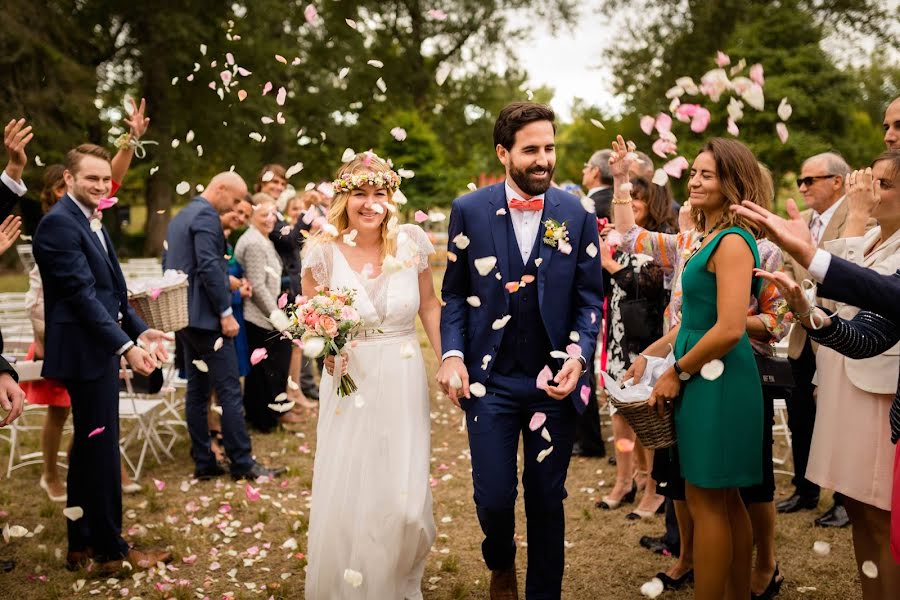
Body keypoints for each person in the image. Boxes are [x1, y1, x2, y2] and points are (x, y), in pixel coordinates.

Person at [437, 102, 604, 599]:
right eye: (531, 149)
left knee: (547, 498)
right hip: (490, 382)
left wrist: (577, 357)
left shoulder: (576, 212)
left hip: (553, 383)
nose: (543, 160)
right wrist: (451, 355)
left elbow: (589, 297)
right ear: (503, 153)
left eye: (549, 148)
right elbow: (453, 293)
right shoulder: (469, 209)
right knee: (493, 497)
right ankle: (501, 563)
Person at [633, 137, 767, 600]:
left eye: (707, 174)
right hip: (701, 373)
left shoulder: (733, 241)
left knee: (710, 500)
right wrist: (652, 355)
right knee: (722, 500)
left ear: (733, 183)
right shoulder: (705, 238)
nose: (694, 180)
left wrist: (676, 372)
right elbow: (694, 320)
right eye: (693, 172)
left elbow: (730, 328)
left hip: (720, 381)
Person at [303, 152, 441, 599]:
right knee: (351, 484)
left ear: (391, 198)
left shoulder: (412, 242)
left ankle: (397, 577)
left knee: (404, 500)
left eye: (379, 193)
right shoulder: (321, 253)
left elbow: (430, 307)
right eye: (359, 193)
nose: (370, 203)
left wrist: (448, 361)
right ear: (344, 198)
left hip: (402, 377)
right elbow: (311, 319)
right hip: (350, 379)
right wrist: (326, 350)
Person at [33, 143, 172, 573]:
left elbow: (112, 292)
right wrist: (126, 348)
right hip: (82, 350)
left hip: (98, 345)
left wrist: (140, 329)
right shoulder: (58, 224)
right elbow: (81, 297)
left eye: (103, 178)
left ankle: (81, 543)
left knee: (91, 449)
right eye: (90, 177)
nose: (99, 184)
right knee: (103, 450)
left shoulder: (93, 220)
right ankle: (113, 551)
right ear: (68, 179)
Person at [756, 261, 900, 599]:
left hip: (877, 390)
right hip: (852, 380)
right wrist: (807, 312)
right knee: (863, 515)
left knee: (882, 524)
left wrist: (811, 254)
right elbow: (865, 336)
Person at [163, 171, 284, 481]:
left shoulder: (181, 216)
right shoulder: (205, 216)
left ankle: (204, 461)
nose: (235, 206)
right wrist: (225, 311)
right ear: (219, 189)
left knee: (197, 391)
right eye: (234, 199)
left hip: (185, 317)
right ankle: (242, 462)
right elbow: (208, 267)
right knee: (230, 390)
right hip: (208, 319)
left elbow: (172, 265)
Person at [777, 152, 853, 526]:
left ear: (837, 181)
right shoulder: (800, 222)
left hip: (840, 336)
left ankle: (843, 499)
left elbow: (849, 275)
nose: (803, 187)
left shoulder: (859, 219)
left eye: (811, 180)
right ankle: (805, 489)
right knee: (800, 416)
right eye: (800, 182)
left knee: (839, 418)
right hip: (801, 336)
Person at [596, 176, 672, 518]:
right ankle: (625, 480)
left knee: (645, 419)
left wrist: (609, 264)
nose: (629, 205)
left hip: (645, 343)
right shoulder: (616, 242)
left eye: (636, 199)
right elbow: (605, 288)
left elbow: (648, 289)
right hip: (616, 340)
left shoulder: (657, 244)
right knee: (619, 418)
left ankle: (654, 487)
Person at [234, 193, 300, 432]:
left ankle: (265, 416)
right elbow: (256, 285)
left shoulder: (263, 238)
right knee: (266, 371)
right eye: (264, 215)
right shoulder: (253, 242)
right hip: (259, 317)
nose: (270, 219)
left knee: (270, 369)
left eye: (273, 214)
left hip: (267, 313)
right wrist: (276, 315)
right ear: (251, 215)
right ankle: (263, 419)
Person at [256, 165, 319, 404]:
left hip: (290, 285)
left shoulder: (277, 213)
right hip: (279, 288)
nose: (279, 187)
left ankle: (295, 391)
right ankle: (290, 394)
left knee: (296, 342)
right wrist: (307, 212)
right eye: (274, 182)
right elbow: (291, 240)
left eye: (282, 183)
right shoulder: (262, 210)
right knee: (288, 344)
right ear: (261, 183)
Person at [582, 149, 614, 220]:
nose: (583, 171)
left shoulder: (590, 207)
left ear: (595, 171)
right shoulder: (615, 201)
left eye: (586, 166)